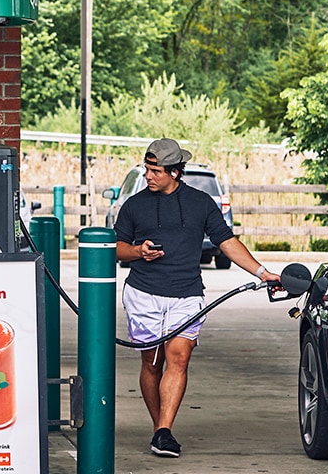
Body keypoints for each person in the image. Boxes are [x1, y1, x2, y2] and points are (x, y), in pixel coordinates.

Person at [113, 138, 281, 459]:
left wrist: (262, 273)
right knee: (152, 363)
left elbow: (227, 243)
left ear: (175, 172)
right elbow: (117, 249)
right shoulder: (134, 205)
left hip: (187, 294)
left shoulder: (201, 203)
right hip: (143, 294)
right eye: (146, 169)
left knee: (179, 358)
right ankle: (158, 428)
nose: (148, 176)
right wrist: (138, 251)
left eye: (155, 171)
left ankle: (164, 431)